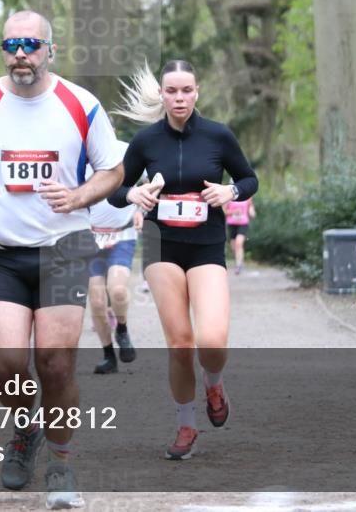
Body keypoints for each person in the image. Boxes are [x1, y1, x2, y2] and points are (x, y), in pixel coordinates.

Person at [0, 10, 123, 510]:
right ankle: (27, 426)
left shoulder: (80, 104)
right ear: (2, 50)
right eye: (11, 45)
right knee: (3, 365)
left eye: (30, 44)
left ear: (50, 49)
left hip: (65, 249)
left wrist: (80, 196)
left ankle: (61, 463)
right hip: (3, 253)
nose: (20, 53)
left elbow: (113, 168)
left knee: (56, 362)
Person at [109, 60, 257, 460]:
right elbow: (115, 189)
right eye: (171, 91)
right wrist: (131, 195)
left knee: (211, 341)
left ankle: (214, 382)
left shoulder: (217, 136)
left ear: (197, 92)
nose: (179, 98)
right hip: (162, 246)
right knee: (179, 343)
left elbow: (249, 179)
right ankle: (187, 424)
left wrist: (230, 193)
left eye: (186, 90)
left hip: (206, 245)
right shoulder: (145, 141)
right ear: (162, 94)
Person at [87, 138, 142, 374]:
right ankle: (108, 354)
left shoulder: (126, 151)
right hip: (89, 237)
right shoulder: (78, 155)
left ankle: (122, 328)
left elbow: (150, 181)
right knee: (97, 300)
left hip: (123, 234)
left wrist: (141, 209)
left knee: (117, 289)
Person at [224, 197, 256, 274]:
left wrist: (252, 211)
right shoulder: (229, 196)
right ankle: (239, 261)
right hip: (232, 224)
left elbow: (250, 206)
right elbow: (224, 211)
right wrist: (234, 211)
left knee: (239, 243)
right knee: (234, 247)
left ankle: (239, 265)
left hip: (243, 224)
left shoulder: (247, 196)